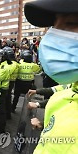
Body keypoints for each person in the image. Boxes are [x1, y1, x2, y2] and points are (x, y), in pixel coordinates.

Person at [24, 0, 78, 153]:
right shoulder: (69, 91)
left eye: (71, 22)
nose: (50, 36)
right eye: (54, 25)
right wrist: (48, 126)